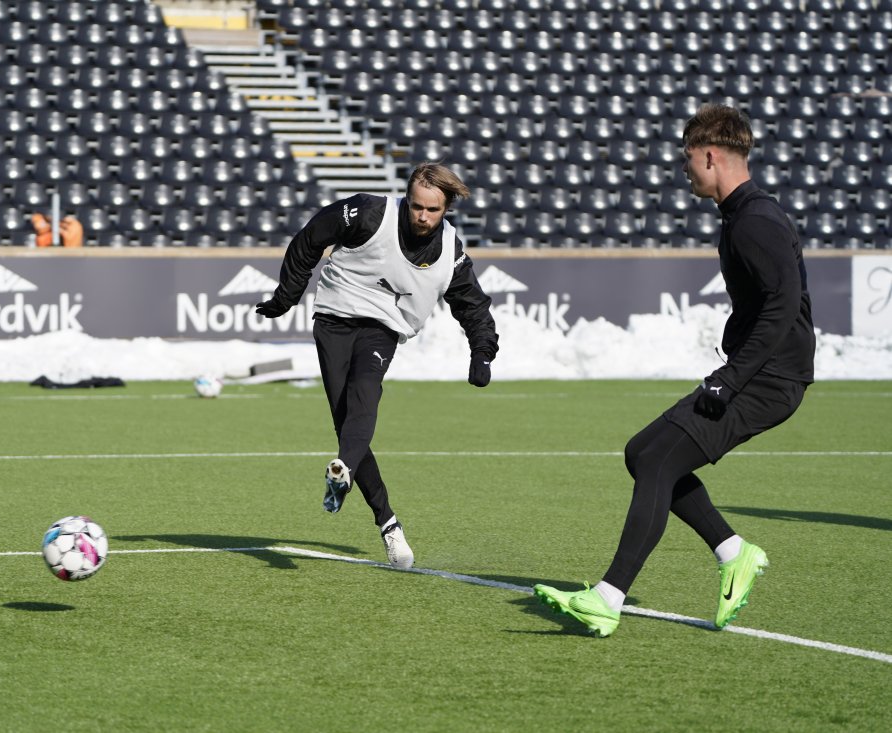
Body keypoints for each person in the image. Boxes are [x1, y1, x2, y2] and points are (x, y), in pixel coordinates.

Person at [533, 104, 815, 636]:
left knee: (658, 459)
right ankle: (735, 552)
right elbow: (769, 301)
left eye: (688, 158)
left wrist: (731, 377)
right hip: (760, 372)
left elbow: (784, 304)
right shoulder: (743, 216)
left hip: (769, 381)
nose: (684, 169)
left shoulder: (755, 220)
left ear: (711, 155)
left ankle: (608, 597)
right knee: (643, 453)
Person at [255, 163, 500, 569]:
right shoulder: (369, 213)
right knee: (346, 420)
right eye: (417, 206)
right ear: (407, 198)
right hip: (335, 316)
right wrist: (287, 296)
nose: (423, 216)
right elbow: (311, 237)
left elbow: (473, 304)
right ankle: (387, 522)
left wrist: (482, 351)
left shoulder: (450, 253)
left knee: (366, 390)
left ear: (447, 208)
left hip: (382, 327)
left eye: (433, 210)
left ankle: (347, 473)